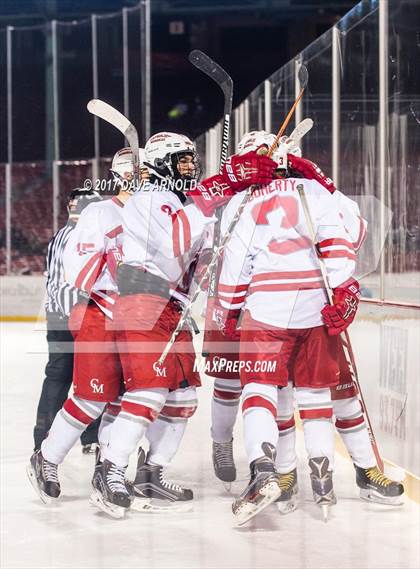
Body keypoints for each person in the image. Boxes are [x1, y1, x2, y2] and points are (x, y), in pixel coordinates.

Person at [90, 131, 278, 517]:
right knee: (149, 392)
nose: (190, 168)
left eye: (193, 161)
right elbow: (177, 240)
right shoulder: (149, 198)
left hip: (171, 309)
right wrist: (221, 186)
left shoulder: (178, 201)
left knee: (182, 399)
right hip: (143, 302)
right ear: (161, 163)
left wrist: (223, 228)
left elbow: (198, 260)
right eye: (183, 161)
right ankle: (110, 470)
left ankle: (150, 473)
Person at [214, 132, 360, 525]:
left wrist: (228, 309)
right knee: (314, 393)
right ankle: (323, 482)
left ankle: (265, 469)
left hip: (266, 310)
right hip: (314, 308)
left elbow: (235, 262)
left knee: (260, 390)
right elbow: (348, 237)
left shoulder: (243, 202)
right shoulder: (315, 191)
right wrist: (343, 288)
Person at [27, 147, 136, 504]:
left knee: (122, 397)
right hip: (88, 315)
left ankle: (105, 464)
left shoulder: (149, 214)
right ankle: (47, 451)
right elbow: (80, 275)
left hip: (129, 318)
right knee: (82, 389)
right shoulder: (91, 220)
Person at [33, 188, 102, 454]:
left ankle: (47, 437)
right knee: (80, 375)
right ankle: (82, 437)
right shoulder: (77, 235)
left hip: (63, 315)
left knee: (63, 376)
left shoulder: (62, 234)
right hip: (73, 316)